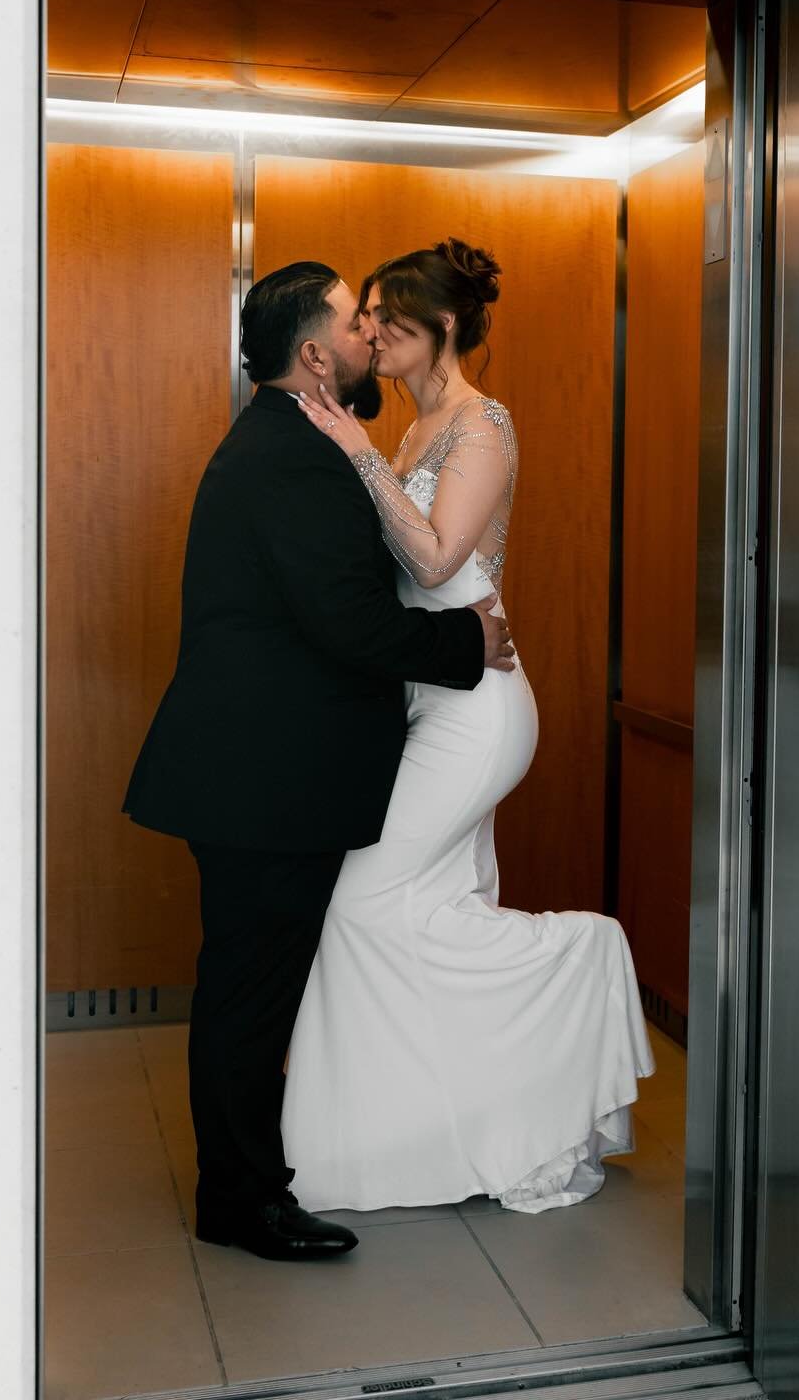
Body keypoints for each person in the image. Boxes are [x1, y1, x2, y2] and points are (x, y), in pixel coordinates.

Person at [121, 261, 516, 1262]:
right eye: (354, 321)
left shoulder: (296, 440)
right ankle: (243, 1201)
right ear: (313, 353)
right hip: (264, 781)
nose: (368, 337)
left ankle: (251, 1184)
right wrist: (472, 647)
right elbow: (348, 623)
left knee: (246, 992)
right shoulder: (292, 455)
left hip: (259, 773)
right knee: (250, 999)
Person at [285, 238, 654, 1213]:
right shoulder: (413, 432)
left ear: (439, 329)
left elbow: (443, 563)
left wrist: (358, 457)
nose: (368, 335)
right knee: (424, 914)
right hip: (427, 701)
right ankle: (444, 1137)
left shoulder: (478, 426)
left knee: (358, 904)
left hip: (479, 711)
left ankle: (589, 954)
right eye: (363, 319)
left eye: (385, 322)